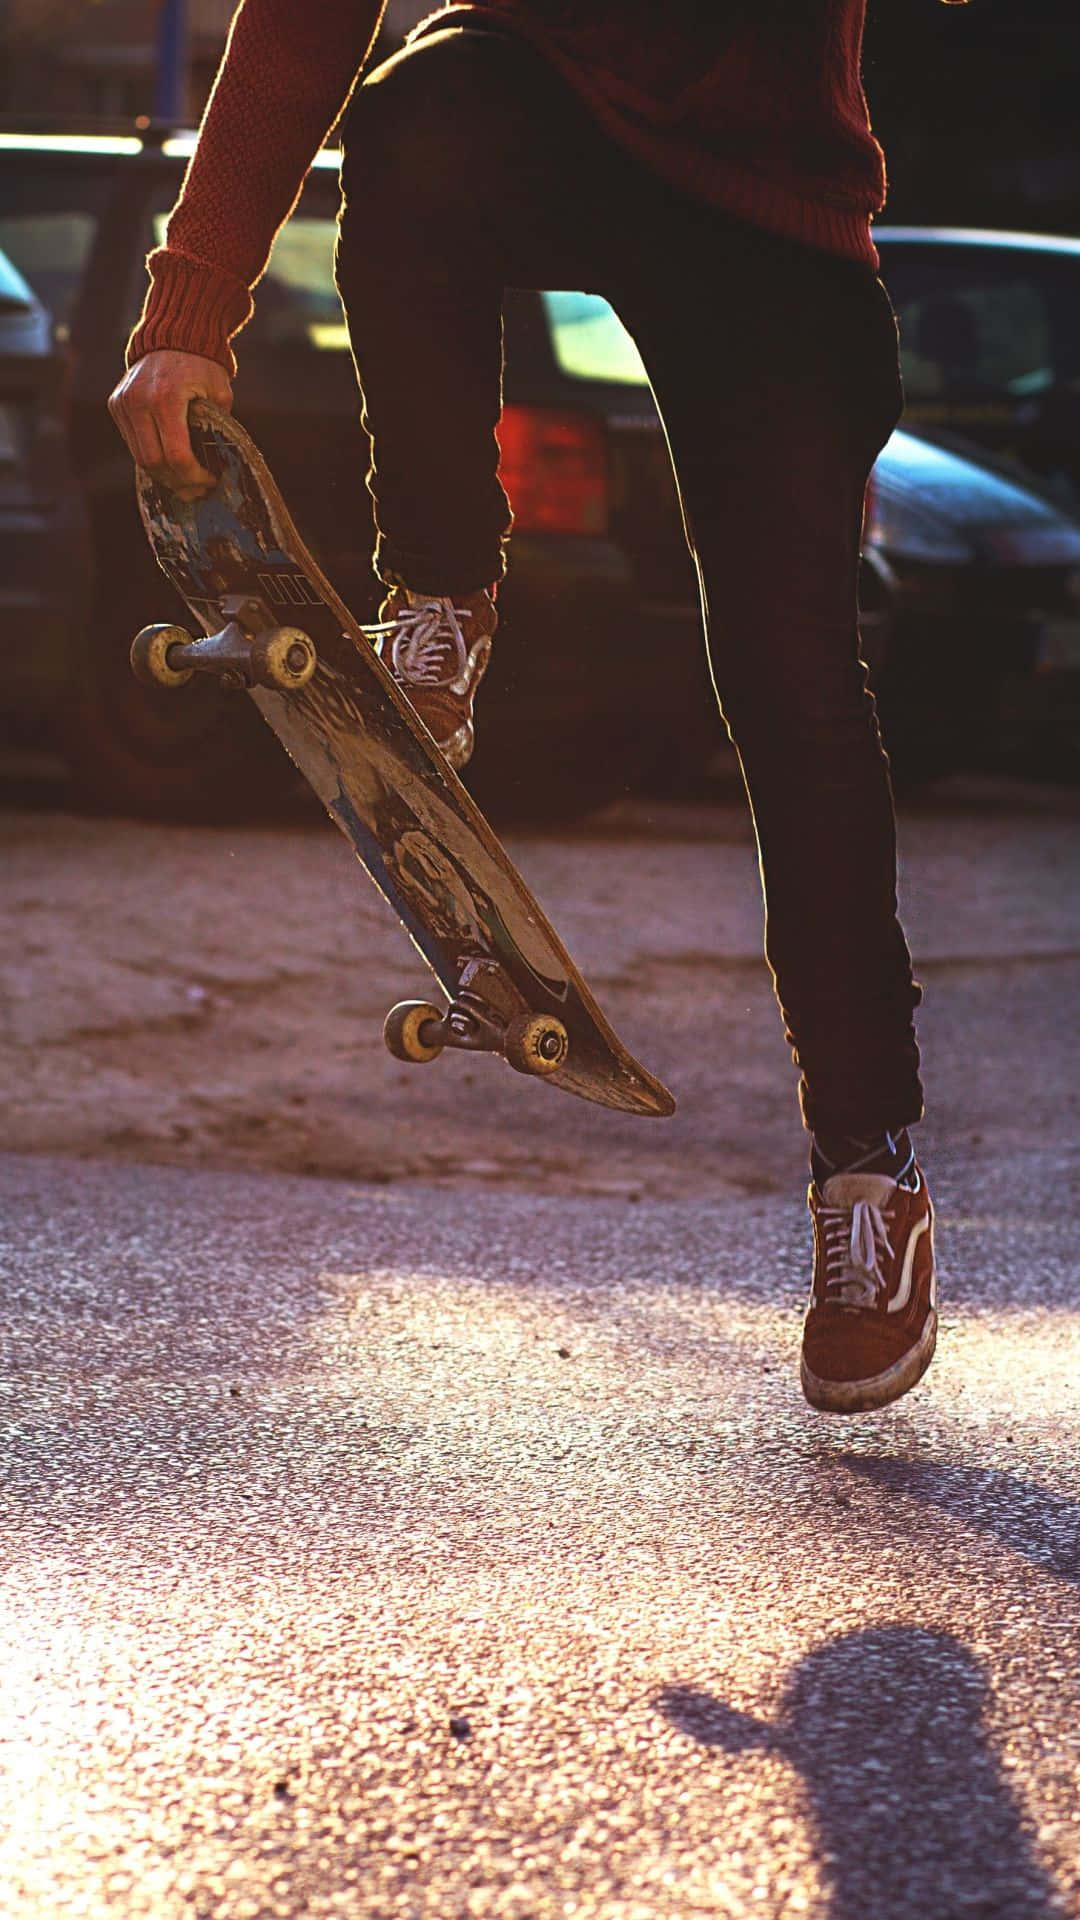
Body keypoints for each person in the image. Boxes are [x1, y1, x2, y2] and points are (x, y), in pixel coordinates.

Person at [109, 0, 937, 1415]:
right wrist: (189, 314)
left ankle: (871, 1176)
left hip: (780, 220)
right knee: (428, 105)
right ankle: (443, 598)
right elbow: (308, 19)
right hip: (545, 127)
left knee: (789, 686)